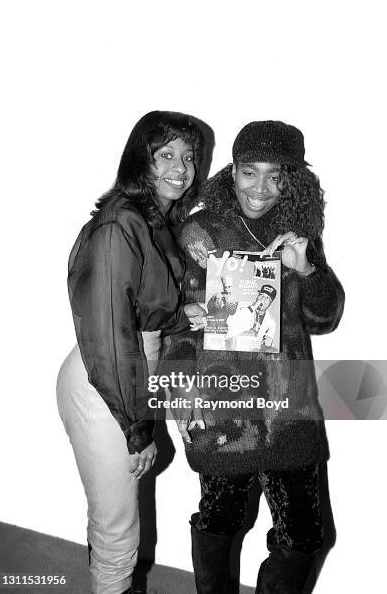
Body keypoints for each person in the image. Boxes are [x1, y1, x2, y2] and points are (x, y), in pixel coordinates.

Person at [160, 120, 345, 593]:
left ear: (292, 179)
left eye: (275, 174)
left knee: (306, 536)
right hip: (225, 414)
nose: (260, 188)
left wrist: (306, 270)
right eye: (248, 172)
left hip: (290, 412)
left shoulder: (296, 234)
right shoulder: (201, 233)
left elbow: (325, 318)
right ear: (232, 172)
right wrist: (180, 393)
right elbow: (173, 325)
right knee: (220, 524)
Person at [56, 111, 210, 594]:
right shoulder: (119, 223)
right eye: (166, 155)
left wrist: (189, 314)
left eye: (188, 157)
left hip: (126, 376)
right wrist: (136, 426)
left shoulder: (153, 220)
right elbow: (108, 332)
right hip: (106, 385)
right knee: (119, 527)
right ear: (139, 159)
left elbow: (146, 307)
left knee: (114, 515)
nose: (181, 169)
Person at [225, 284, 277, 351]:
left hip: (252, 350)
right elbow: (230, 322)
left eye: (267, 298)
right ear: (257, 296)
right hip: (233, 344)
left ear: (271, 302)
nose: (263, 299)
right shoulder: (242, 305)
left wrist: (268, 341)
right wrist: (253, 307)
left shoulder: (271, 322)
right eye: (261, 295)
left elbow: (268, 341)